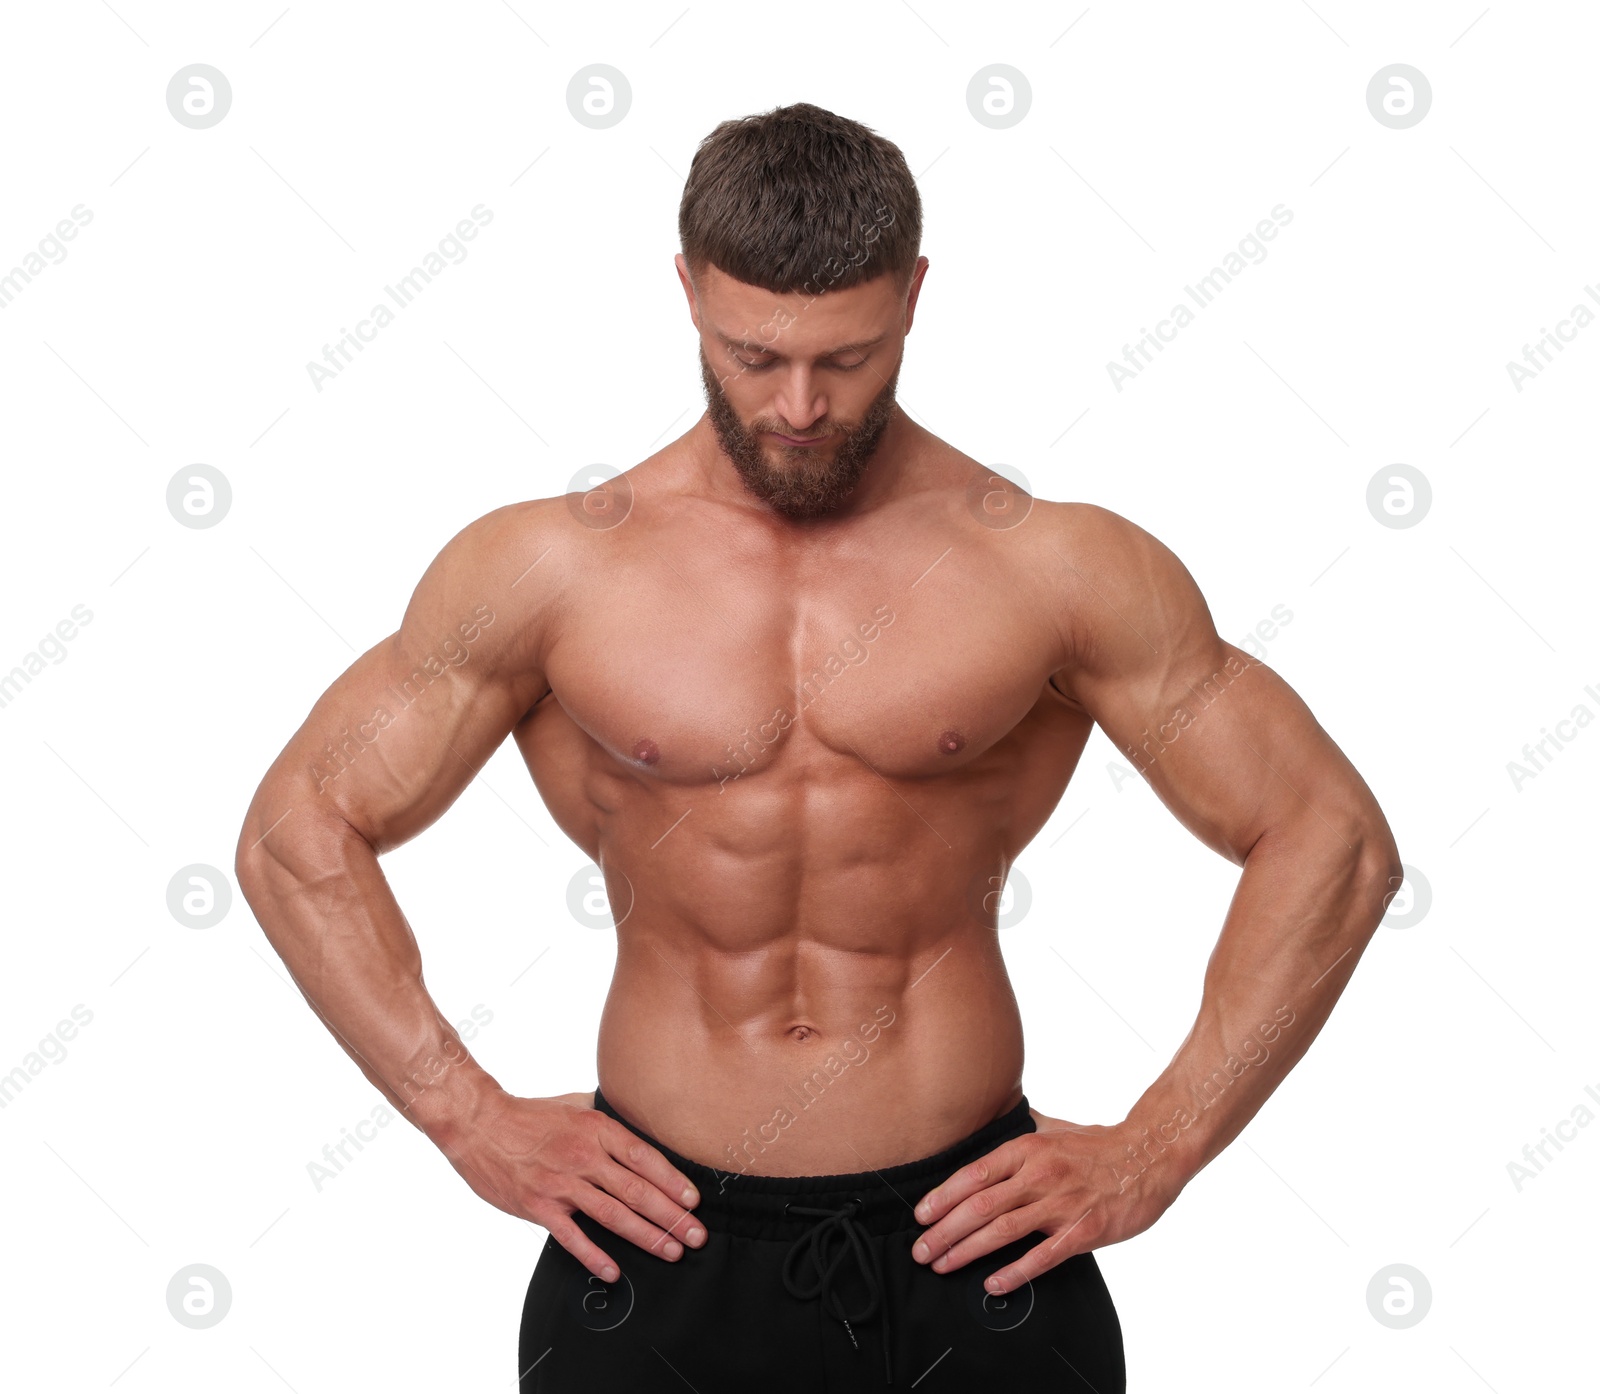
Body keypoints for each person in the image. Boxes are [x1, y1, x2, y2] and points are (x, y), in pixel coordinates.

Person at [235, 102, 1403, 1391]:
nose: (799, 406)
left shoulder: (1051, 565)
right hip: (649, 1243)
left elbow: (1330, 841)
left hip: (979, 1249)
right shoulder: (551, 568)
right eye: (754, 355)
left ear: (915, 294)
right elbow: (300, 832)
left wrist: (1158, 1146)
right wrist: (465, 1117)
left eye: (848, 358)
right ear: (684, 291)